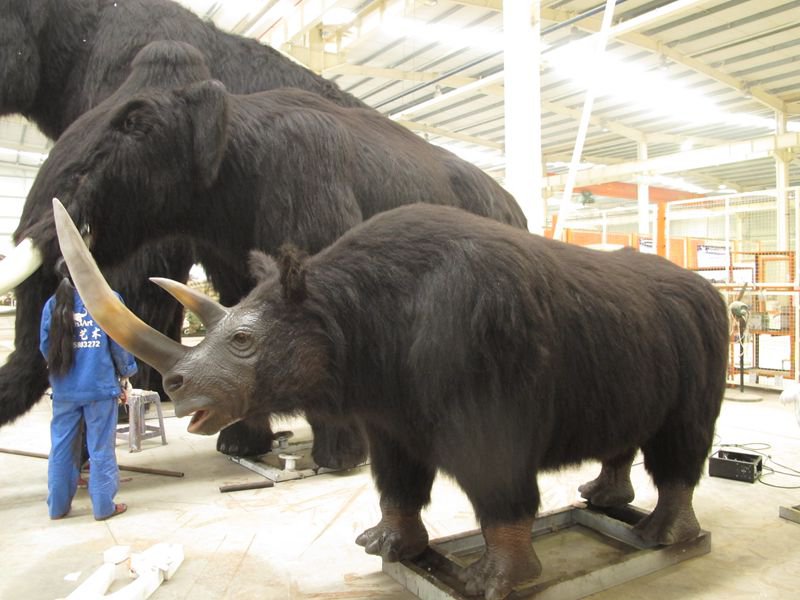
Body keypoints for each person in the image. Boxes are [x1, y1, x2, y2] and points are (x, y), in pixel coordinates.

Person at [40, 260, 138, 520]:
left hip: (65, 390)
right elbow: (120, 343)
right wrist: (126, 374)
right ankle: (104, 507)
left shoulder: (53, 304)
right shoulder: (108, 299)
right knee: (101, 448)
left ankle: (57, 507)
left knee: (61, 448)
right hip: (100, 388)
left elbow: (45, 347)